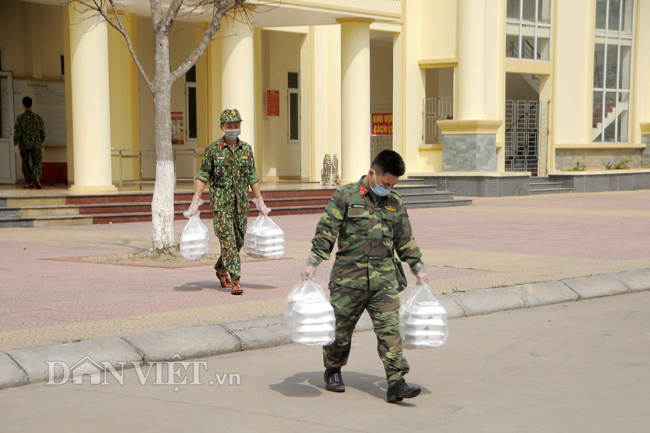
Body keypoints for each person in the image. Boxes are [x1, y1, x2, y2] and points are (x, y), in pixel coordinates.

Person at [301, 149, 428, 404]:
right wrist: (312, 263)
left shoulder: (395, 202)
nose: (388, 188)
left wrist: (418, 268)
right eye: (385, 183)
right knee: (340, 330)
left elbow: (405, 239)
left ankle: (396, 382)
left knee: (390, 330)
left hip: (384, 280)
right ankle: (333, 369)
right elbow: (327, 232)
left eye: (393, 185)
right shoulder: (345, 196)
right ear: (372, 173)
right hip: (349, 279)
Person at [187, 109, 269, 295]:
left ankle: (221, 268)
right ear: (222, 127)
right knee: (228, 242)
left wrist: (260, 201)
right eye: (230, 126)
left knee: (238, 240)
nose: (233, 129)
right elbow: (202, 176)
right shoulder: (213, 150)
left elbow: (252, 176)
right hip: (221, 206)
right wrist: (195, 201)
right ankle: (236, 280)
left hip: (241, 205)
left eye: (236, 125)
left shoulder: (246, 149)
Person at [13, 97, 45, 189]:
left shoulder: (20, 118)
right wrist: (41, 140)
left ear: (23, 105)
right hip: (36, 143)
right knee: (37, 162)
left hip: (24, 144)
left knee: (25, 162)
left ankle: (30, 182)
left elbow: (17, 132)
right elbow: (42, 131)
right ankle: (37, 178)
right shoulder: (38, 117)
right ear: (31, 104)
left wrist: (16, 144)